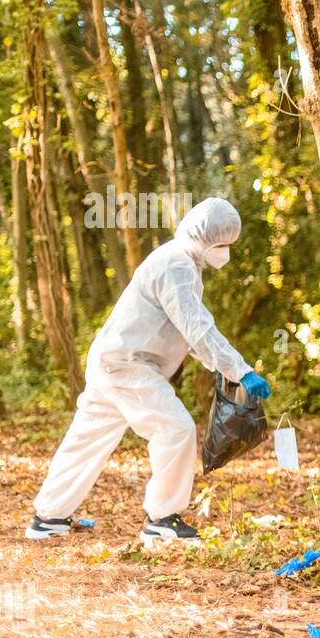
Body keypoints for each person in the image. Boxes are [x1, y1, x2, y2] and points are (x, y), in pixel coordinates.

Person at [26, 198, 271, 544]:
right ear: (205, 238)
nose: (225, 252)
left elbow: (185, 331)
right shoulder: (176, 267)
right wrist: (239, 371)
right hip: (128, 365)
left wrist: (223, 366)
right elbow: (197, 328)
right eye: (223, 244)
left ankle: (48, 517)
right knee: (176, 429)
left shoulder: (182, 261)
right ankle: (162, 519)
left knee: (88, 438)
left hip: (115, 360)